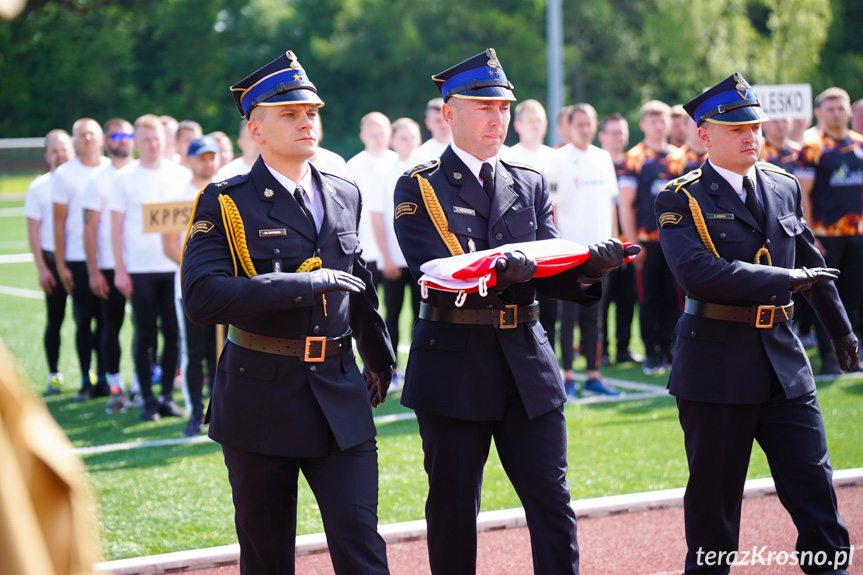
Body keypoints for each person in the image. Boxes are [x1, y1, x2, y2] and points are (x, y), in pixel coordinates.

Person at [393, 48, 636, 575]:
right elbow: (432, 269)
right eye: (484, 106)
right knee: (455, 506)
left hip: (526, 358)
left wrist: (592, 266)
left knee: (552, 500)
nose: (497, 118)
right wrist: (501, 272)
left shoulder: (527, 181)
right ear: (449, 113)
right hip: (455, 360)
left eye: (504, 107)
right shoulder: (420, 185)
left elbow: (549, 266)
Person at [181, 49, 395, 574]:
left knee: (362, 550)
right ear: (256, 130)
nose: (306, 122)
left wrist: (381, 355)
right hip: (260, 395)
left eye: (311, 113)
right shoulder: (225, 201)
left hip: (339, 391)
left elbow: (357, 281)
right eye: (290, 114)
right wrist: (300, 285)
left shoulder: (344, 192)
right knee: (268, 556)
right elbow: (202, 297)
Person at [655, 72, 858, 575]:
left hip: (785, 363)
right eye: (736, 128)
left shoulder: (782, 185)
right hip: (716, 365)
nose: (751, 137)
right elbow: (698, 274)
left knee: (816, 492)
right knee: (714, 510)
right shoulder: (681, 197)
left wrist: (842, 333)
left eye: (756, 127)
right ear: (704, 134)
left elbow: (815, 266)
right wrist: (783, 277)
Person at [111, 114, 189, 421]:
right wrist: (119, 269)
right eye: (146, 140)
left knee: (173, 333)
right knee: (144, 335)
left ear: (165, 140)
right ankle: (146, 399)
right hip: (140, 269)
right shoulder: (124, 177)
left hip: (175, 268)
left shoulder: (179, 174)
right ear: (136, 142)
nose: (153, 145)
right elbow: (115, 229)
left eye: (157, 139)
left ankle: (166, 397)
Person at [548, 103, 621, 398]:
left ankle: (593, 375)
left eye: (590, 123)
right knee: (568, 317)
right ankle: (566, 377)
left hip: (600, 252)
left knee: (595, 316)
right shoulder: (558, 159)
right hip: (570, 252)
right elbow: (550, 208)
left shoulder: (603, 158)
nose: (586, 128)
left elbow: (611, 203)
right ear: (568, 126)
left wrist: (615, 243)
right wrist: (556, 248)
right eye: (579, 123)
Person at [795, 87, 863, 374]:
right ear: (819, 113)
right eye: (831, 108)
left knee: (854, 297)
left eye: (841, 107)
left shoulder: (860, 144)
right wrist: (811, 235)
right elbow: (802, 195)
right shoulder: (812, 147)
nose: (837, 113)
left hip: (857, 234)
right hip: (825, 235)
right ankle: (829, 358)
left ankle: (853, 355)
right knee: (826, 299)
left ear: (849, 111)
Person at [163, 136, 221, 437]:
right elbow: (168, 245)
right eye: (202, 157)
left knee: (221, 352)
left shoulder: (228, 189)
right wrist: (199, 270)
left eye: (212, 156)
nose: (208, 163)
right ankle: (195, 413)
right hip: (190, 288)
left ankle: (220, 410)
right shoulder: (176, 195)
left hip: (223, 288)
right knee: (194, 353)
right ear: (189, 160)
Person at [618, 100, 679, 374]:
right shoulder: (634, 157)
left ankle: (669, 350)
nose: (658, 125)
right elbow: (625, 205)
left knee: (673, 299)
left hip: (675, 243)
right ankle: (651, 353)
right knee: (648, 299)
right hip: (646, 241)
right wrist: (633, 244)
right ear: (643, 124)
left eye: (662, 119)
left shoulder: (680, 157)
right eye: (652, 120)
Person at [52, 118, 112, 401]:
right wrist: (62, 264)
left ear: (101, 138)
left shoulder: (113, 170)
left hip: (108, 258)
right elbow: (59, 224)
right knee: (84, 319)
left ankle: (104, 378)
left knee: (108, 322)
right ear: (75, 141)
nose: (88, 138)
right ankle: (85, 380)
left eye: (92, 133)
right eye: (82, 135)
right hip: (78, 258)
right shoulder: (64, 174)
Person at [81, 118, 135, 412]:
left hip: (144, 266)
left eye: (128, 134)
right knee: (111, 327)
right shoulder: (97, 181)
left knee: (149, 329)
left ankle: (140, 387)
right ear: (106, 140)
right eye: (117, 134)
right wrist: (93, 271)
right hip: (109, 266)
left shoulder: (144, 175)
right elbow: (89, 229)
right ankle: (115, 387)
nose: (123, 140)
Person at [373, 117, 423, 389]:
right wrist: (386, 257)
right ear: (393, 140)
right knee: (391, 313)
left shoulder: (426, 170)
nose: (407, 142)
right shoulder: (384, 171)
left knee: (421, 315)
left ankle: (420, 367)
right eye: (402, 137)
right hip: (393, 258)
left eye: (412, 136)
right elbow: (377, 218)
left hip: (418, 260)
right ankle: (392, 370)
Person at [24, 129, 75, 395]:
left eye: (64, 148)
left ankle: (91, 375)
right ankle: (54, 373)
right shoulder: (39, 186)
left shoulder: (83, 182)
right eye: (55, 150)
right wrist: (42, 268)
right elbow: (33, 230)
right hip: (52, 263)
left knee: (86, 320)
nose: (60, 154)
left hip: (80, 261)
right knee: (54, 320)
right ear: (47, 155)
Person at [506, 99, 559, 351]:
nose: (536, 126)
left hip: (552, 241)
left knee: (552, 309)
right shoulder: (507, 157)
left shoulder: (556, 156)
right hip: (522, 245)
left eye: (540, 120)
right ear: (517, 125)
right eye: (530, 120)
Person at [597, 113, 640, 365]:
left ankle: (623, 348)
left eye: (622, 131)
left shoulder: (633, 165)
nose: (618, 136)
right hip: (602, 244)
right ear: (602, 136)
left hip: (627, 243)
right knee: (601, 301)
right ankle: (600, 350)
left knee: (626, 298)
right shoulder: (596, 163)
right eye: (613, 132)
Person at [346, 112, 398, 286]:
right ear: (362, 136)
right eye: (372, 134)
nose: (378, 139)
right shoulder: (353, 167)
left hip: (395, 243)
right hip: (365, 245)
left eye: (382, 133)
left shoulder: (398, 161)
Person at [407, 97, 452, 166]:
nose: (443, 125)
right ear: (428, 123)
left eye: (445, 119)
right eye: (438, 121)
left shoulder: (466, 148)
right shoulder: (418, 156)